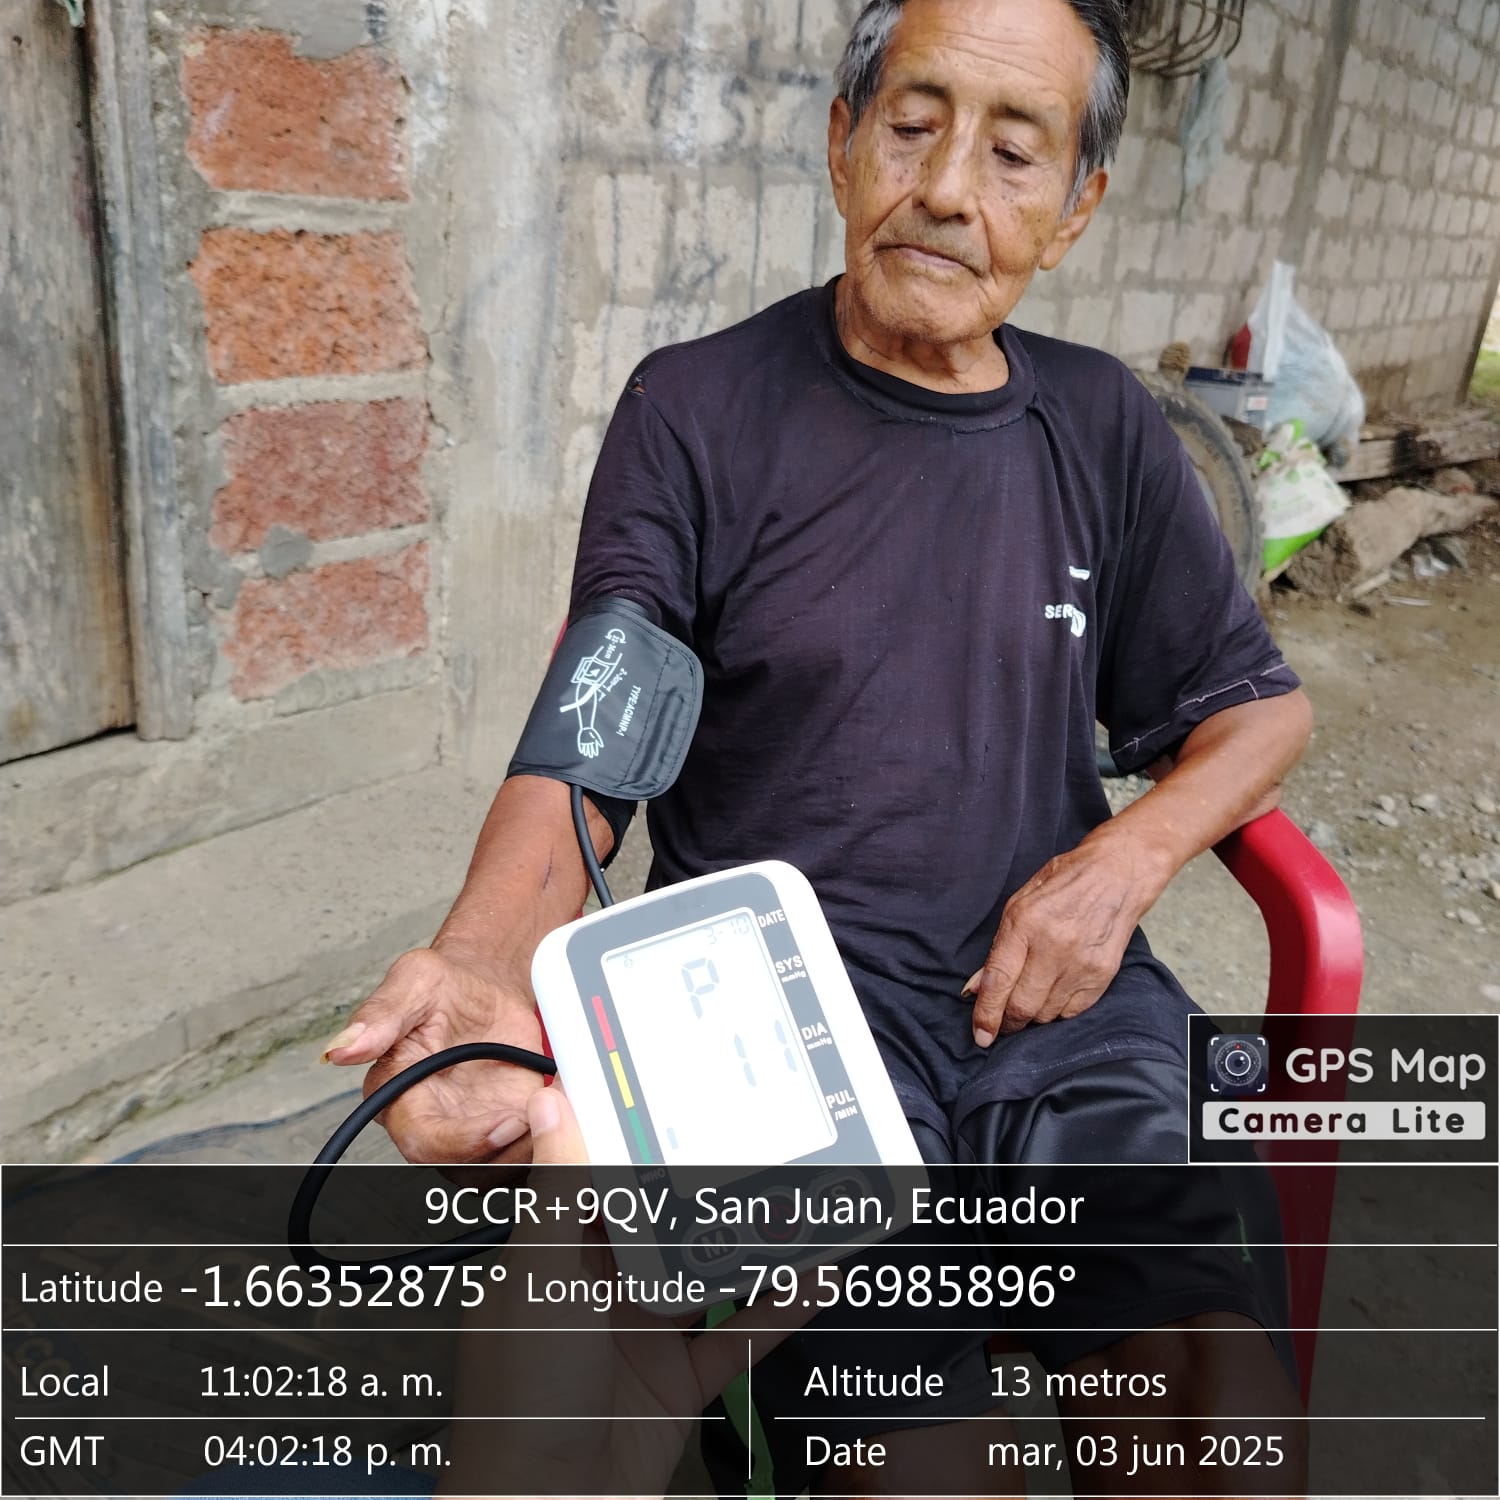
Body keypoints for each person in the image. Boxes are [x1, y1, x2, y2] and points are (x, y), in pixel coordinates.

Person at [326, 0, 1312, 1493]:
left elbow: (1260, 706)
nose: (948, 189)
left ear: (1075, 207)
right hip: (782, 1020)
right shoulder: (697, 409)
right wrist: (480, 956)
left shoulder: (1104, 425)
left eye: (1015, 152)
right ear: (843, 142)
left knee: (1215, 1420)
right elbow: (599, 725)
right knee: (927, 1467)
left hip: (1058, 1011)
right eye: (911, 125)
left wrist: (1126, 860)